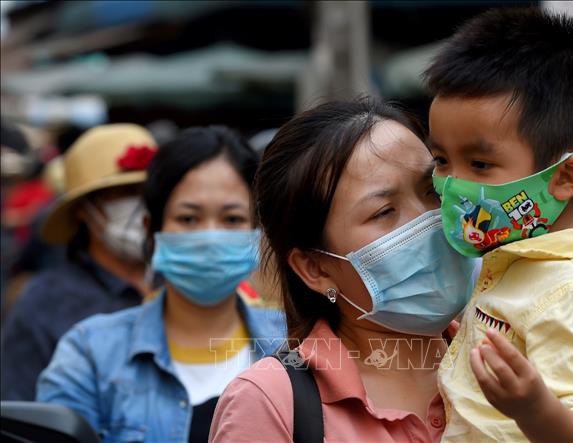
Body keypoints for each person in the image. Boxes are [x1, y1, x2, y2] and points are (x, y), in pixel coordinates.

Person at [424, 8, 573, 442]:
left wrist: (533, 408)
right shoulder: (511, 264)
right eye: (440, 160)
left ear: (566, 177)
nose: (453, 184)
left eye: (480, 163)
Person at [209, 98, 478, 442]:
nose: (430, 221)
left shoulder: (510, 353)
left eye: (433, 191)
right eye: (384, 211)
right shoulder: (269, 402)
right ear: (315, 268)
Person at [37, 126, 286, 443]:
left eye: (232, 219)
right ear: (151, 229)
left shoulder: (298, 346)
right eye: (188, 218)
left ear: (256, 230)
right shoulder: (90, 354)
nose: (209, 236)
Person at [1, 123, 156, 401]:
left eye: (147, 191)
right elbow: (25, 415)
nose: (140, 205)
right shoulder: (44, 303)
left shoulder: (184, 284)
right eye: (123, 192)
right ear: (84, 210)